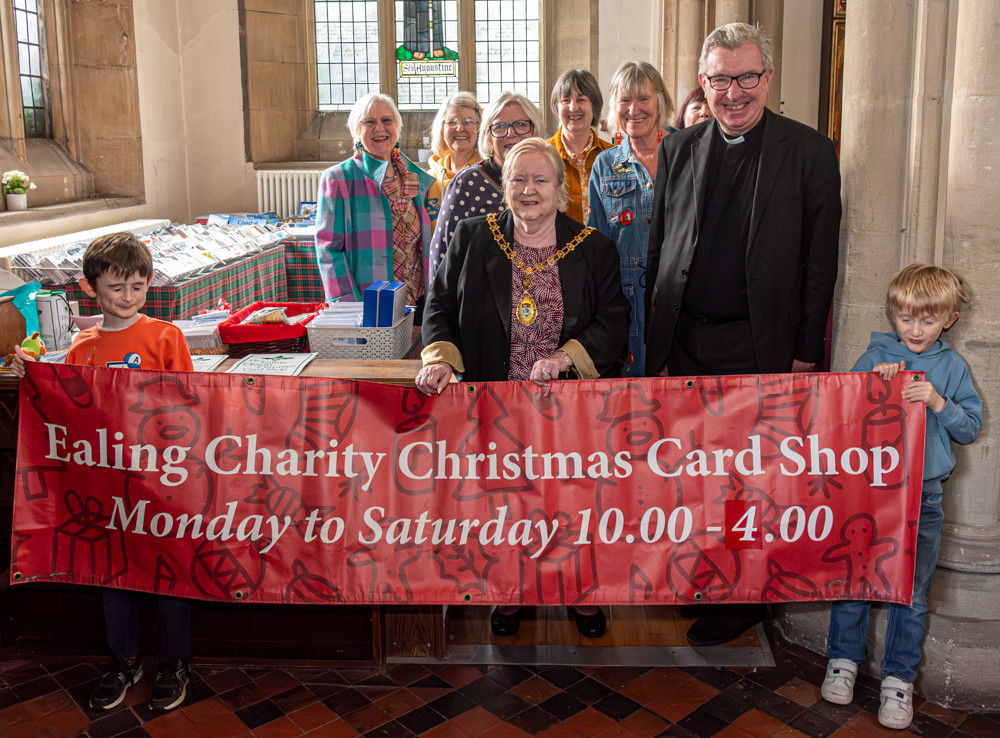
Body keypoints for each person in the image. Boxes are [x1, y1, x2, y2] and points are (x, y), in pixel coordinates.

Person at [645, 23, 842, 644]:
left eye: (746, 77)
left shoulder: (810, 153)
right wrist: (656, 348)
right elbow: (658, 250)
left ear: (767, 79)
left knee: (751, 482)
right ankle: (702, 576)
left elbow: (819, 267)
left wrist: (806, 354)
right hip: (685, 342)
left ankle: (745, 599)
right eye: (720, 79)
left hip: (759, 346)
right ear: (703, 82)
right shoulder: (678, 149)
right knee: (694, 476)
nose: (733, 92)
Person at [417, 138, 629, 639]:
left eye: (540, 179)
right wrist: (442, 358)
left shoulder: (593, 247)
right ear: (504, 187)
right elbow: (439, 306)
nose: (528, 190)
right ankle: (509, 592)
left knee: (571, 504)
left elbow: (614, 320)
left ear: (560, 188)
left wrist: (565, 358)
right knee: (504, 505)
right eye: (517, 179)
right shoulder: (473, 239)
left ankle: (577, 592)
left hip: (568, 413)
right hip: (496, 408)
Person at [11, 233, 193, 713]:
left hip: (161, 482)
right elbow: (68, 404)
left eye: (137, 285)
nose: (128, 296)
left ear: (149, 283)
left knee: (171, 574)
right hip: (108, 488)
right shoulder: (84, 344)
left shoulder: (165, 337)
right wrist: (32, 371)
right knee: (114, 576)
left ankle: (174, 662)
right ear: (90, 289)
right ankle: (124, 660)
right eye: (116, 287)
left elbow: (193, 405)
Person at [822, 264, 981, 730]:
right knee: (855, 580)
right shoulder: (875, 356)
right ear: (893, 313)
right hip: (869, 495)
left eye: (927, 320)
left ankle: (898, 680)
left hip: (924, 499)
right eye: (906, 318)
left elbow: (970, 429)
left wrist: (938, 403)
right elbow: (840, 412)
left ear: (948, 320)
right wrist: (874, 382)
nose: (915, 329)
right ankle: (842, 661)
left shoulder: (952, 368)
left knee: (910, 594)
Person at [315, 92, 435, 320]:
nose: (379, 128)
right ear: (356, 131)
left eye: (386, 120)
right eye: (369, 122)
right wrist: (350, 309)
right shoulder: (338, 178)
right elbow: (329, 250)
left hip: (417, 300)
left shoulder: (412, 176)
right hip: (370, 306)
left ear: (397, 127)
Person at [588, 61, 674, 376]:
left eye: (643, 99)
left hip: (680, 299)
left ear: (661, 101)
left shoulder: (686, 152)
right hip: (626, 302)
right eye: (625, 100)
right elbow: (596, 244)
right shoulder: (605, 165)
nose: (633, 109)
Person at [427, 91, 544, 276]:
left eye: (521, 125)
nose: (511, 133)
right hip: (480, 299)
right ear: (488, 136)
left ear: (535, 131)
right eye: (500, 126)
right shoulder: (468, 182)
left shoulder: (548, 177)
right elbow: (442, 256)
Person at [547, 69, 613, 224]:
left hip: (604, 246)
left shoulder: (612, 156)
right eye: (565, 100)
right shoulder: (543, 155)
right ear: (556, 107)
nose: (573, 107)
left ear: (594, 106)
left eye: (581, 99)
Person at [426, 91, 483, 218]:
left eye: (468, 122)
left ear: (480, 128)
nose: (460, 128)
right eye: (452, 121)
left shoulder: (487, 174)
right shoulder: (429, 179)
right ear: (442, 128)